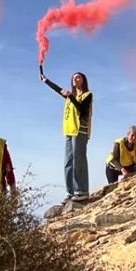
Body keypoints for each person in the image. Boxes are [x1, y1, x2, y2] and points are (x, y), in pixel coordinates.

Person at [40, 70, 93, 201]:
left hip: (80, 130)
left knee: (78, 160)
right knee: (68, 162)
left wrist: (71, 97)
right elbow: (58, 90)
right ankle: (71, 192)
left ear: (83, 80)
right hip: (69, 131)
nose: (76, 79)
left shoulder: (87, 95)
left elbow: (81, 109)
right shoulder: (70, 96)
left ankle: (82, 191)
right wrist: (46, 80)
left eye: (79, 77)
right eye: (74, 78)